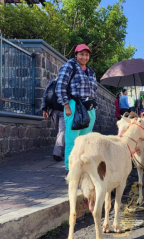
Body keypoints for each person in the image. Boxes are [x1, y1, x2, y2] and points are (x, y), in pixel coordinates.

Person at [55, 44, 98, 175]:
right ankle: (70, 168)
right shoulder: (69, 66)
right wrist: (66, 106)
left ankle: (82, 167)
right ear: (76, 55)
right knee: (72, 139)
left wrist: (94, 107)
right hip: (74, 106)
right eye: (81, 54)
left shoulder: (90, 72)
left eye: (86, 55)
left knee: (85, 140)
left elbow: (94, 91)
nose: (84, 57)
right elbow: (60, 86)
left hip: (89, 107)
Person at [41, 84, 64, 162]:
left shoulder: (53, 82)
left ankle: (61, 151)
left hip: (53, 111)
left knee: (60, 131)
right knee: (62, 131)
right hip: (64, 110)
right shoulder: (67, 80)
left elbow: (45, 95)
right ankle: (57, 152)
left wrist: (44, 109)